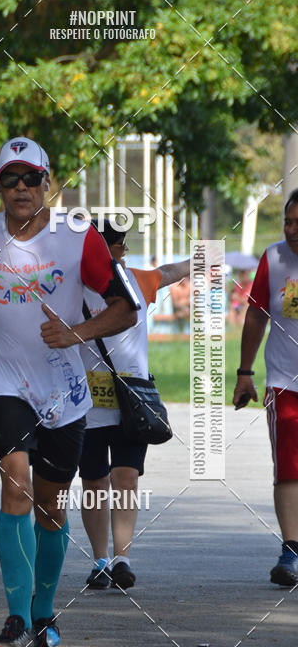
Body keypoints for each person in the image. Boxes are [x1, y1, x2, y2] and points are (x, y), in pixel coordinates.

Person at [0, 136, 138, 647]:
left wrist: (76, 332)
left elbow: (125, 310)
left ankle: (45, 617)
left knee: (51, 506)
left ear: (48, 183)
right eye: (10, 179)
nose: (21, 189)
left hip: (64, 389)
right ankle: (16, 619)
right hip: (1, 380)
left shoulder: (78, 239)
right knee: (15, 481)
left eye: (31, 179)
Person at [79, 222, 190, 590]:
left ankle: (122, 558)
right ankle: (99, 560)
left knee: (126, 477)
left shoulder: (135, 280)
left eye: (113, 249)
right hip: (86, 401)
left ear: (119, 250)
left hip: (132, 399)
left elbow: (169, 272)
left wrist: (201, 259)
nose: (108, 256)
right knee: (94, 480)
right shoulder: (73, 288)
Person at [233, 189, 298, 586]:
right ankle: (291, 550)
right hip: (284, 382)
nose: (291, 230)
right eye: (287, 222)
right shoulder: (274, 259)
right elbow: (256, 316)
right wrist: (245, 372)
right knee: (289, 468)